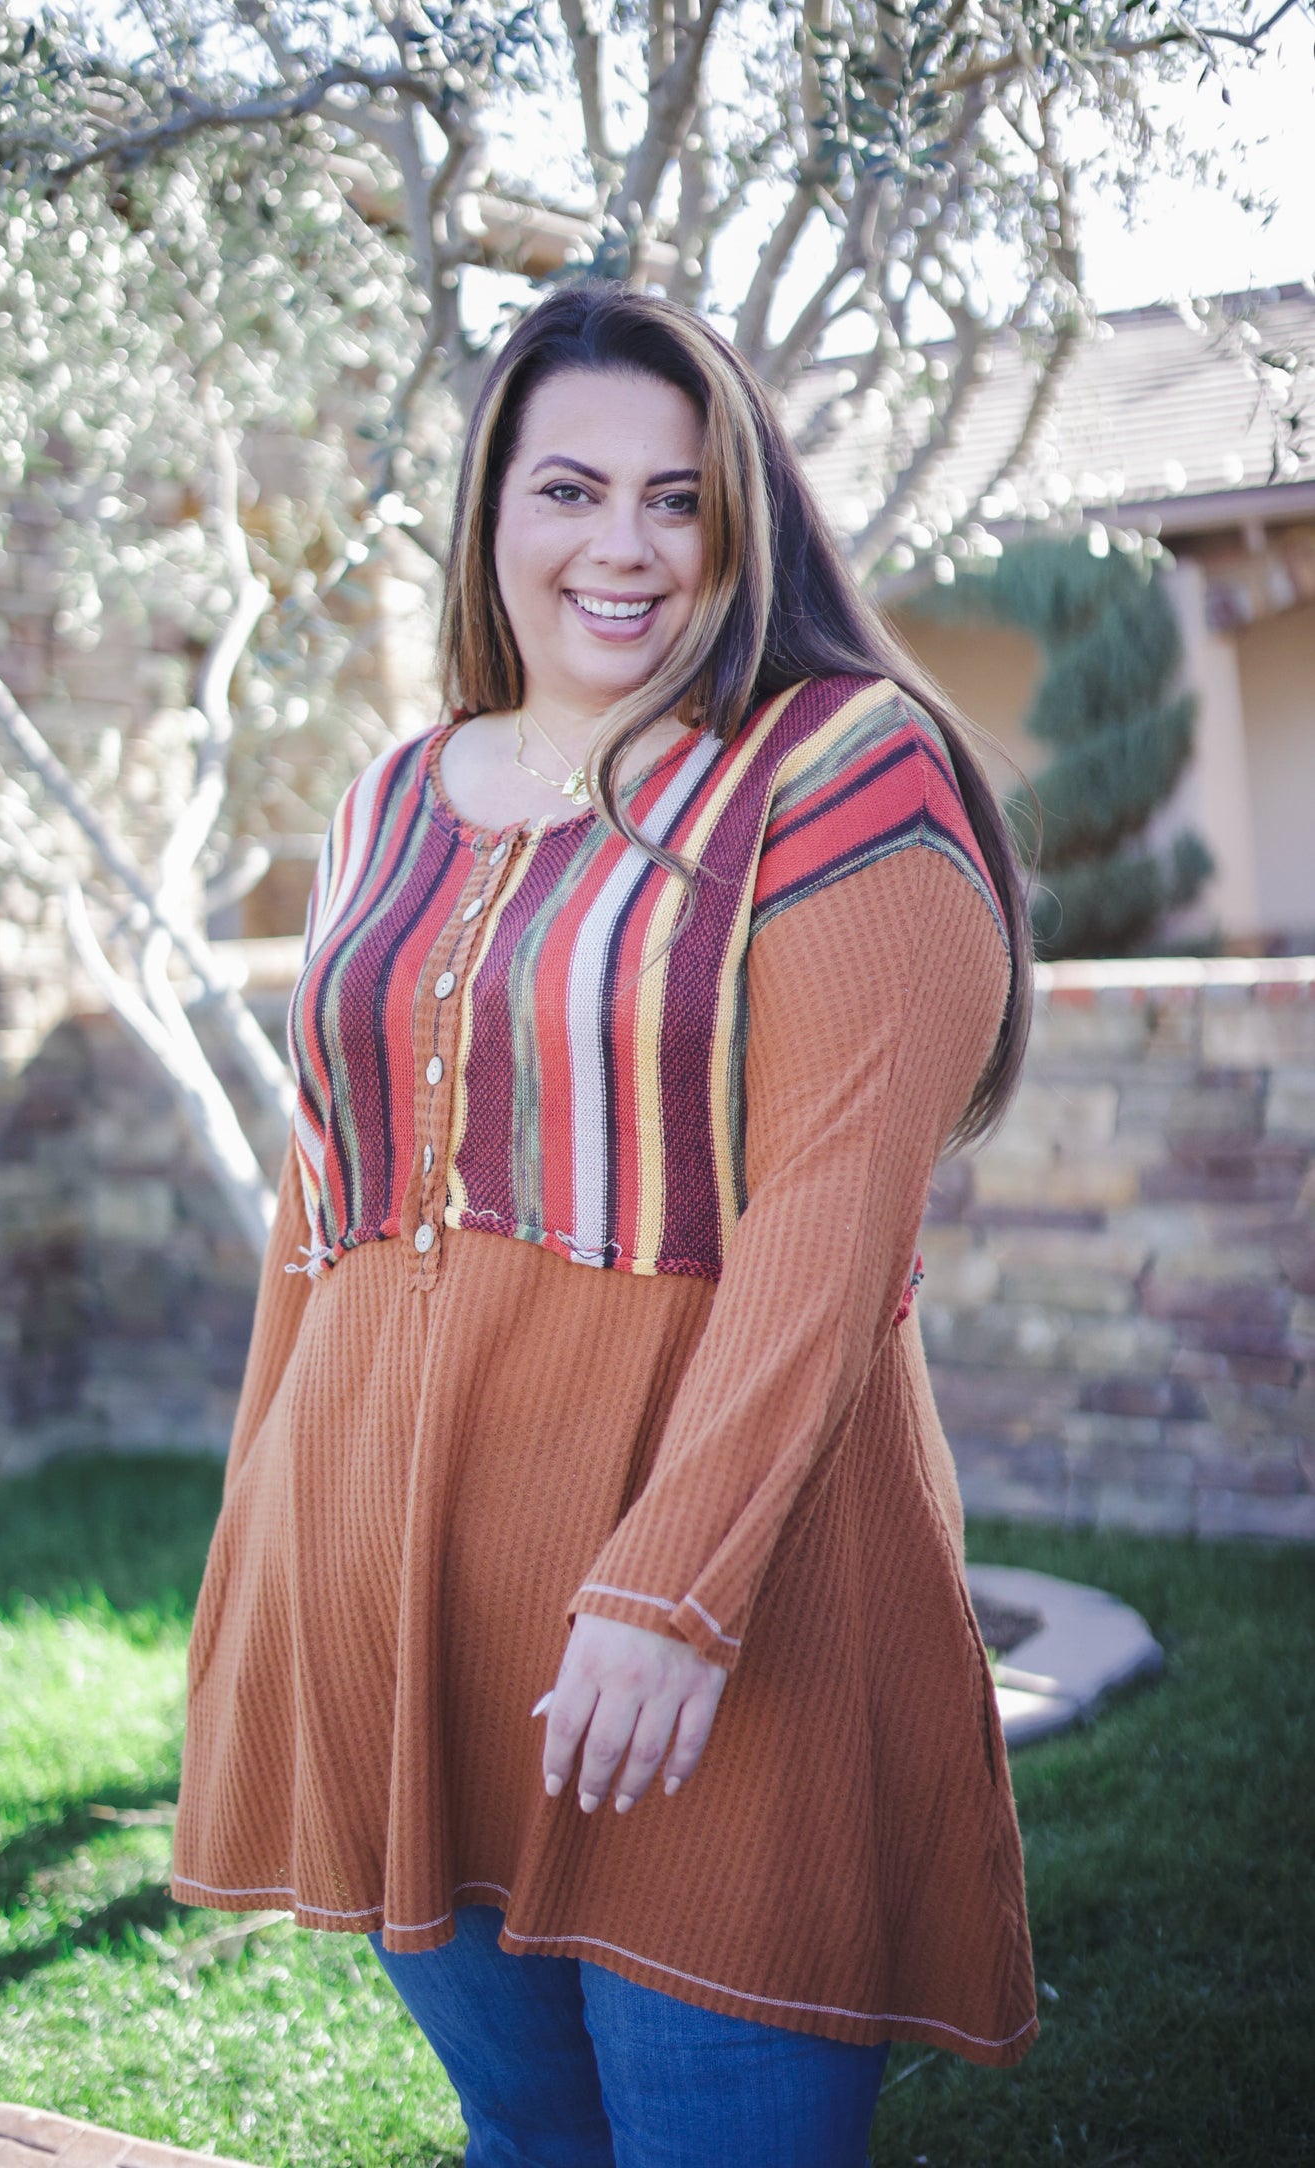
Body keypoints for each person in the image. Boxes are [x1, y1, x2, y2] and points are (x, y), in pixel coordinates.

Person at [171, 280, 1041, 2167]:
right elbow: (318, 1205)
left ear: (742, 520)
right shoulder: (388, 799)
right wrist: (262, 1554)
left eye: (677, 497)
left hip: (708, 1639)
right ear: (490, 512)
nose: (622, 547)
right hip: (398, 1616)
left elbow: (824, 1244)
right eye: (569, 490)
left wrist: (672, 1598)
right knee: (524, 2140)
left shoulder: (835, 773)